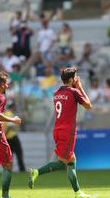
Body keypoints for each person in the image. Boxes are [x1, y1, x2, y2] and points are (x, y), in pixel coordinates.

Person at [28, 67, 92, 198]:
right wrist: (80, 87)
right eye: (75, 77)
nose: (77, 79)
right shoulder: (74, 91)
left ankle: (78, 193)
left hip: (57, 129)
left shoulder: (56, 93)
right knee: (63, 162)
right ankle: (36, 172)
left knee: (71, 161)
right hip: (68, 131)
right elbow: (88, 105)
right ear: (70, 80)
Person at [4, 103, 26, 172]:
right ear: (12, 107)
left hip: (8, 138)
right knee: (19, 153)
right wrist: (4, 135)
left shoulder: (5, 114)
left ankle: (8, 170)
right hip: (12, 137)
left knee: (10, 156)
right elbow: (9, 126)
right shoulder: (9, 114)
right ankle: (22, 169)